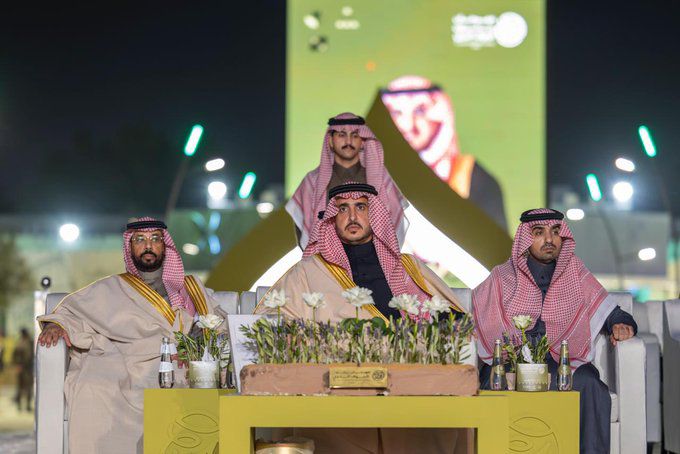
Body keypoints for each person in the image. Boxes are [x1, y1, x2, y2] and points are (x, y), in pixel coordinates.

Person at [257, 183, 469, 454]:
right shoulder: (308, 271)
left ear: (375, 214)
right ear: (332, 218)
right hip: (336, 391)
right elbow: (267, 322)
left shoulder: (408, 267)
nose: (352, 216)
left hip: (407, 387)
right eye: (342, 209)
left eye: (361, 207)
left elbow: (454, 319)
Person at [37, 217, 224, 454]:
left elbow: (217, 322)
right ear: (130, 247)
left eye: (155, 239)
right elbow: (71, 311)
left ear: (165, 245)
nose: (148, 245)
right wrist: (55, 326)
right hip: (131, 360)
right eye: (140, 240)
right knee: (95, 386)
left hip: (180, 364)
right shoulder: (113, 287)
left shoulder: (190, 288)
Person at [472, 208, 637, 454]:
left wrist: (621, 324)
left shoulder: (575, 272)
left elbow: (611, 310)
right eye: (539, 232)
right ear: (525, 239)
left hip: (561, 361)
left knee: (589, 384)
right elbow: (474, 313)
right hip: (510, 360)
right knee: (493, 381)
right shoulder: (502, 276)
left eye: (555, 232)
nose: (549, 239)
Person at [381, 75, 507, 230]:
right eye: (396, 113)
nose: (407, 125)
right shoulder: (374, 178)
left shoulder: (472, 178)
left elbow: (494, 241)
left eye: (419, 111)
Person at [286, 112, 408, 250]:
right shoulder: (312, 181)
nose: (348, 141)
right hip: (326, 256)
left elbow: (394, 222)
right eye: (342, 135)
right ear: (330, 141)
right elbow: (302, 226)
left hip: (371, 256)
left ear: (362, 141)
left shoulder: (381, 179)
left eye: (355, 135)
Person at [12, 327, 34, 412]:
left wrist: (17, 365)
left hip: (24, 368)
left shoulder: (20, 342)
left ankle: (22, 406)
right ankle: (23, 406)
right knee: (24, 387)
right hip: (25, 368)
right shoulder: (27, 342)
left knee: (22, 387)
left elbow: (14, 355)